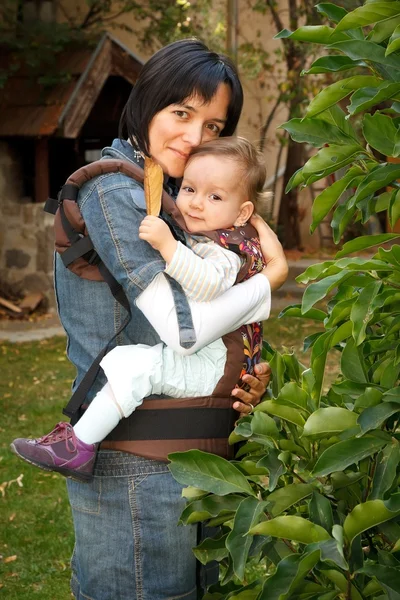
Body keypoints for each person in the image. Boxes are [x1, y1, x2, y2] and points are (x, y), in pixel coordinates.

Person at [15, 39, 287, 600]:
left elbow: (213, 315)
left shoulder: (182, 201)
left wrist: (246, 371)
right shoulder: (117, 192)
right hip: (135, 469)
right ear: (147, 104)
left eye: (214, 126)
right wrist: (270, 280)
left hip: (199, 463)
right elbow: (181, 330)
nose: (194, 138)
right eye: (181, 113)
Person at [11, 137, 288, 482]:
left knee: (136, 368)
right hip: (212, 360)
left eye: (215, 196)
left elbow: (209, 284)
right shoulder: (219, 237)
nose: (197, 203)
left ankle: (78, 446)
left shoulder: (225, 249)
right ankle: (78, 442)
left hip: (212, 367)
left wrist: (169, 248)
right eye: (189, 189)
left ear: (244, 212)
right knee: (131, 364)